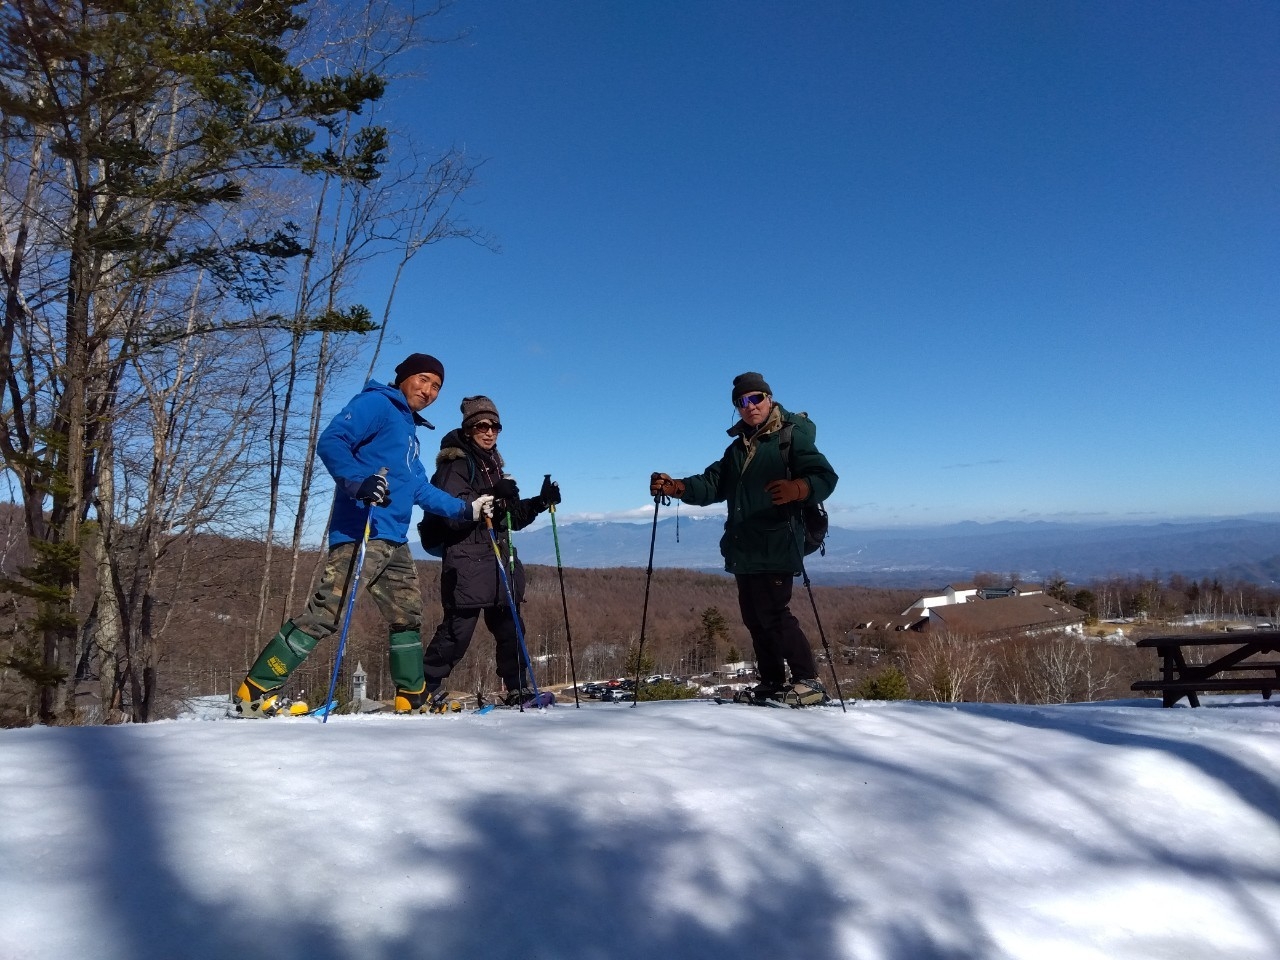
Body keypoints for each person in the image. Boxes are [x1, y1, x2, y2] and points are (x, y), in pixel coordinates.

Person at [232, 354, 495, 718]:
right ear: (403, 377)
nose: (429, 390)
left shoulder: (407, 430)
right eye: (423, 380)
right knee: (326, 612)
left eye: (436, 387)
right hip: (362, 531)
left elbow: (419, 488)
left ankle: (412, 696)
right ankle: (255, 692)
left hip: (393, 539)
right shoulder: (377, 404)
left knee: (407, 615)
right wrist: (358, 482)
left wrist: (467, 510)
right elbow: (332, 441)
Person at [650, 372, 838, 706]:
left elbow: (824, 475)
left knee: (775, 613)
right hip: (745, 545)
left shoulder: (791, 438)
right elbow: (712, 483)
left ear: (769, 398)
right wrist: (676, 486)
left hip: (779, 542)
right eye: (742, 401)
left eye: (755, 398)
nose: (749, 406)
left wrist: (800, 488)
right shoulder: (738, 449)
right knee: (754, 616)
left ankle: (809, 682)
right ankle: (772, 681)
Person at [420, 395, 561, 708]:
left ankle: (519, 689)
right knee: (456, 634)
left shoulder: (493, 465)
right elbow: (454, 514)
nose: (490, 431)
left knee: (512, 629)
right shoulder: (455, 465)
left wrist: (539, 501)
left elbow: (508, 518)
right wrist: (494, 495)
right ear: (469, 429)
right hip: (467, 563)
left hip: (498, 562)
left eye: (495, 426)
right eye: (482, 426)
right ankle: (422, 689)